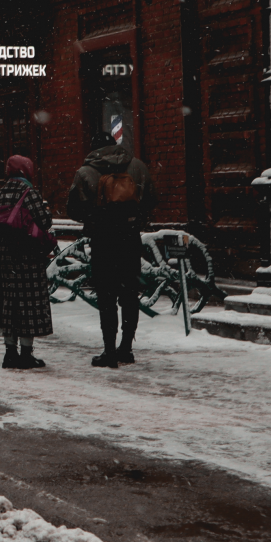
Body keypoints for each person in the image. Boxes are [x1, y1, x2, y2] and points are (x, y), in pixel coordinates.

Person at [68, 134, 158, 367]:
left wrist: (95, 217)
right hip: (129, 239)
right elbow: (151, 199)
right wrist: (135, 219)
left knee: (106, 297)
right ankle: (126, 348)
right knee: (129, 296)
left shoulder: (86, 172)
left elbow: (73, 209)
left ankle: (109, 351)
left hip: (103, 240)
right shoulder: (137, 166)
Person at [0, 155, 53, 370]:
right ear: (26, 170)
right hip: (27, 256)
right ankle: (26, 353)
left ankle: (9, 353)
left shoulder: (1, 192)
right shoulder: (29, 192)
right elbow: (44, 221)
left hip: (6, 257)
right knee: (28, 305)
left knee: (10, 304)